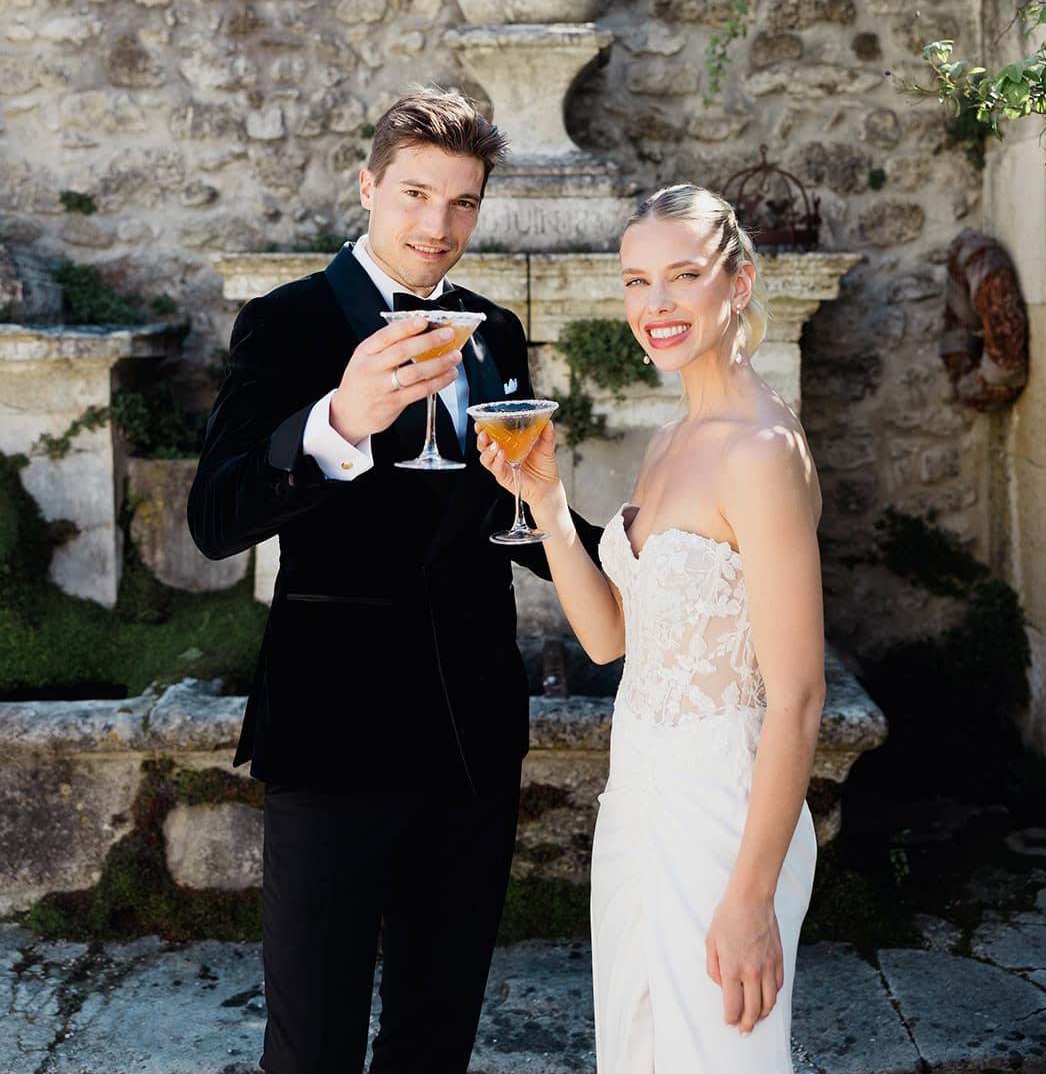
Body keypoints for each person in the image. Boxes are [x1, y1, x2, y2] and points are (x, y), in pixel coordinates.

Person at [187, 86, 601, 1074]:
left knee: (434, 1031)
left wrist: (634, 550)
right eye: (415, 193)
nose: (437, 224)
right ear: (367, 186)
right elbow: (216, 517)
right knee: (313, 1041)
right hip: (334, 731)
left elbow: (511, 511)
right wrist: (337, 419)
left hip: (473, 732)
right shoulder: (285, 324)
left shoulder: (493, 330)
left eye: (462, 202)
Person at [477, 183, 824, 1072]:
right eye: (635, 281)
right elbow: (609, 640)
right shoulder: (671, 441)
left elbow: (796, 696)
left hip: (723, 810)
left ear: (737, 282)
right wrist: (549, 507)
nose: (655, 305)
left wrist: (749, 898)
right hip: (636, 793)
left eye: (681, 276)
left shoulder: (761, 451)